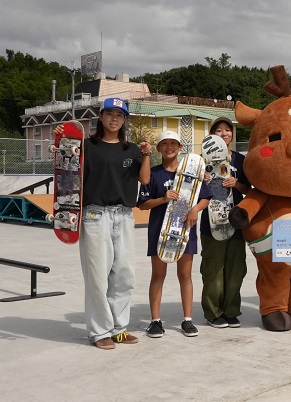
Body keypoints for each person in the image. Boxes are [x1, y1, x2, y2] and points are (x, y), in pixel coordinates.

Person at [52, 98, 152, 350]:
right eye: (110, 114)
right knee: (98, 276)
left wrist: (148, 154)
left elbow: (145, 179)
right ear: (101, 117)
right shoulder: (87, 146)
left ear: (124, 120)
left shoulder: (131, 150)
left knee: (124, 275)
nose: (115, 119)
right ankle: (100, 332)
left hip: (124, 216)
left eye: (120, 115)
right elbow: (66, 166)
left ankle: (119, 328)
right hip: (95, 216)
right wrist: (61, 138)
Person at [138, 130, 212, 338]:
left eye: (174, 143)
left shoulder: (193, 172)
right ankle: (155, 321)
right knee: (158, 276)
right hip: (159, 230)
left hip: (184, 229)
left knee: (185, 275)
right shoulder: (153, 173)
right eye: (165, 143)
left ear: (180, 148)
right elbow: (143, 204)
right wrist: (163, 199)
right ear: (159, 148)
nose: (169, 147)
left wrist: (195, 210)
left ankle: (187, 320)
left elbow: (205, 197)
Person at [199, 117, 251, 328]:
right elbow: (191, 190)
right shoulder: (201, 160)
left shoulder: (241, 160)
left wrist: (236, 183)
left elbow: (249, 190)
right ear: (212, 135)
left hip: (236, 221)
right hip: (211, 223)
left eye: (227, 130)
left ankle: (231, 311)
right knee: (213, 269)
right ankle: (213, 313)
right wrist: (201, 179)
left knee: (235, 268)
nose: (223, 134)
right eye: (218, 130)